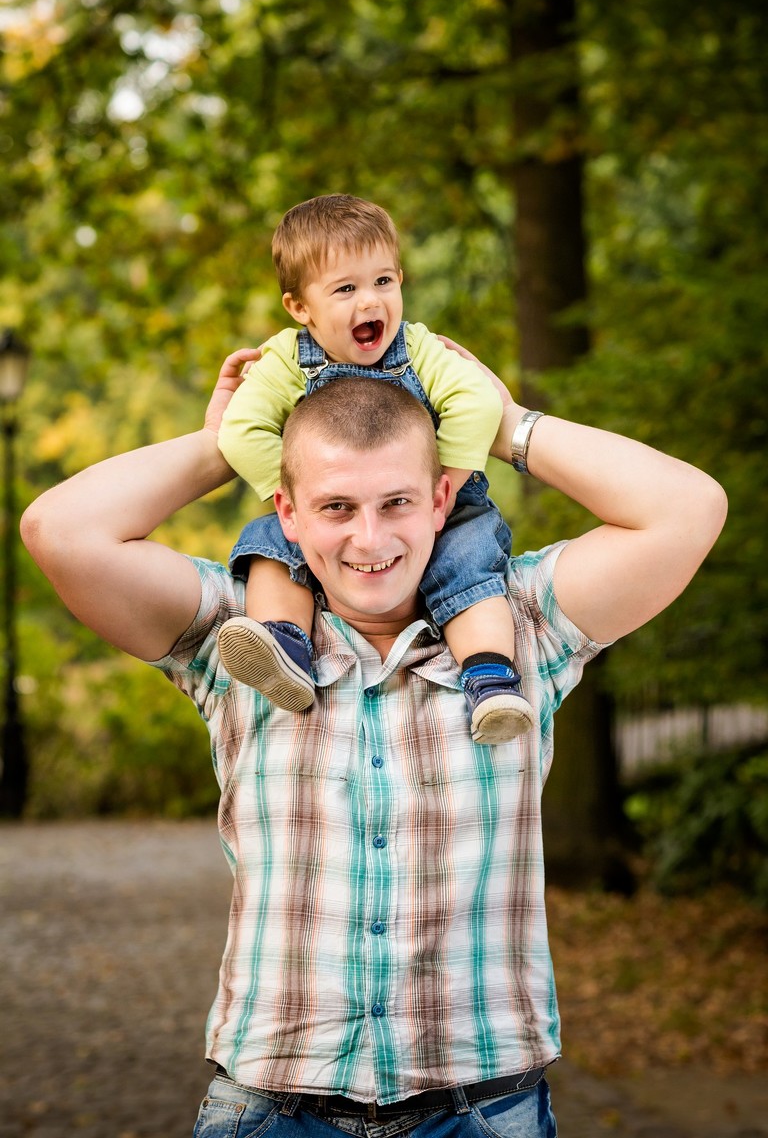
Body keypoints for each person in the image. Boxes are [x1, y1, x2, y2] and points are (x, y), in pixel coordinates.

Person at [20, 341, 727, 1138]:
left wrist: (507, 425)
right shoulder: (240, 638)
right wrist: (229, 442)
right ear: (287, 513)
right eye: (335, 507)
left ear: (440, 499)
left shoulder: (524, 624)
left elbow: (690, 508)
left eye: (396, 503)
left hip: (483, 1110)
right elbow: (59, 529)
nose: (368, 540)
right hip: (272, 1109)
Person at [216, 193, 535, 744]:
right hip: (331, 514)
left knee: (470, 569)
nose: (371, 301)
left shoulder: (419, 349)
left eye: (384, 282)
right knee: (269, 546)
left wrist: (445, 489)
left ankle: (490, 677)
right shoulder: (286, 361)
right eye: (346, 289)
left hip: (439, 507)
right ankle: (284, 642)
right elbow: (238, 432)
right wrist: (296, 496)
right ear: (299, 307)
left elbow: (479, 404)